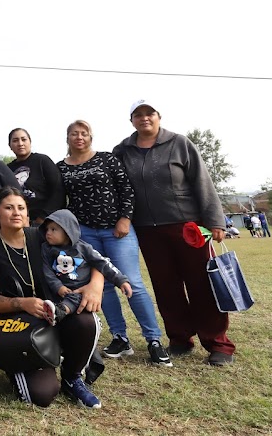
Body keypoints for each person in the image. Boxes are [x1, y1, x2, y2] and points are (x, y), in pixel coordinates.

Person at [114, 100, 235, 367]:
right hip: (147, 230)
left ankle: (218, 343)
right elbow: (118, 187)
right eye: (138, 115)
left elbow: (202, 180)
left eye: (149, 113)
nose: (144, 118)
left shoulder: (179, 143)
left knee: (202, 284)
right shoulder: (123, 150)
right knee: (166, 287)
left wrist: (215, 221)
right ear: (131, 120)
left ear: (159, 117)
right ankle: (180, 339)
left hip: (187, 227)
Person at [0, 187, 105, 408]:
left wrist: (96, 284)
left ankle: (72, 376)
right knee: (42, 394)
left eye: (21, 208)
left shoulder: (42, 235)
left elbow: (90, 256)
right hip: (21, 324)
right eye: (8, 207)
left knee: (86, 320)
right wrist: (23, 303)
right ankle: (21, 365)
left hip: (56, 311)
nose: (16, 213)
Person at [58, 119, 171, 366]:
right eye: (74, 134)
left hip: (116, 230)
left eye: (84, 133)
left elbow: (126, 190)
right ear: (67, 138)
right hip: (85, 234)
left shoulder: (107, 159)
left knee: (131, 282)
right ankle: (120, 338)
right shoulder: (61, 168)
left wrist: (125, 218)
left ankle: (153, 339)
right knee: (102, 286)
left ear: (91, 136)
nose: (79, 137)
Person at [41, 210, 133, 323]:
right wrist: (58, 287)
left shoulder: (84, 248)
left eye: (53, 229)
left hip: (82, 290)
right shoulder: (46, 249)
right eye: (47, 229)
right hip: (60, 290)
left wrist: (121, 280)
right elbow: (47, 271)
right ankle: (54, 309)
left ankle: (59, 312)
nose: (48, 233)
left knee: (76, 297)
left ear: (67, 230)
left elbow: (103, 263)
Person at [7, 128, 65, 226]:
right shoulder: (8, 169)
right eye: (15, 140)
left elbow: (58, 191)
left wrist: (43, 218)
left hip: (46, 221)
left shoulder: (42, 161)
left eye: (23, 139)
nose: (20, 143)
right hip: (18, 221)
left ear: (30, 141)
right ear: (10, 146)